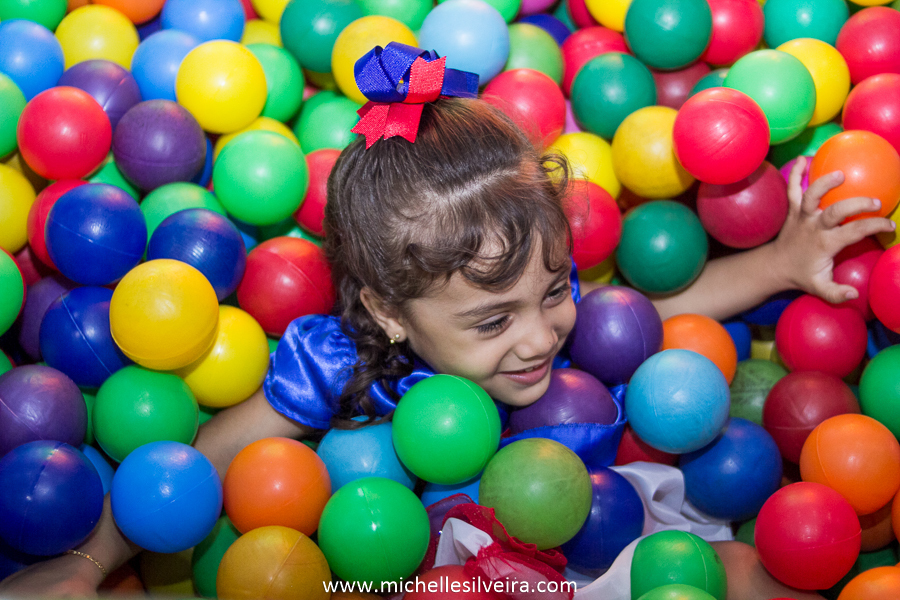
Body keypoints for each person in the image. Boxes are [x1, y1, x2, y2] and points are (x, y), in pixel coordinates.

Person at [0, 44, 893, 598]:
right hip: (414, 569)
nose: (541, 336)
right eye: (492, 319)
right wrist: (88, 562)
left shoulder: (567, 328)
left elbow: (663, 313)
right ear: (390, 311)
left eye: (554, 291)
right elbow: (201, 464)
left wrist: (783, 263)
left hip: (592, 541)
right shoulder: (345, 360)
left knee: (736, 569)